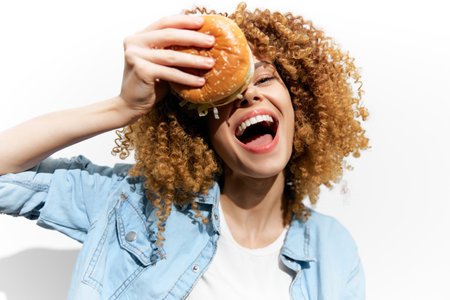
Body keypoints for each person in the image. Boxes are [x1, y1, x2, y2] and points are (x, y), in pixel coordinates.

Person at [0, 2, 369, 299]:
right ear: (203, 130)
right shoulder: (133, 204)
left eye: (265, 78)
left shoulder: (333, 248)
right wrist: (122, 108)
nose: (249, 94)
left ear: (297, 104)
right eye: (226, 94)